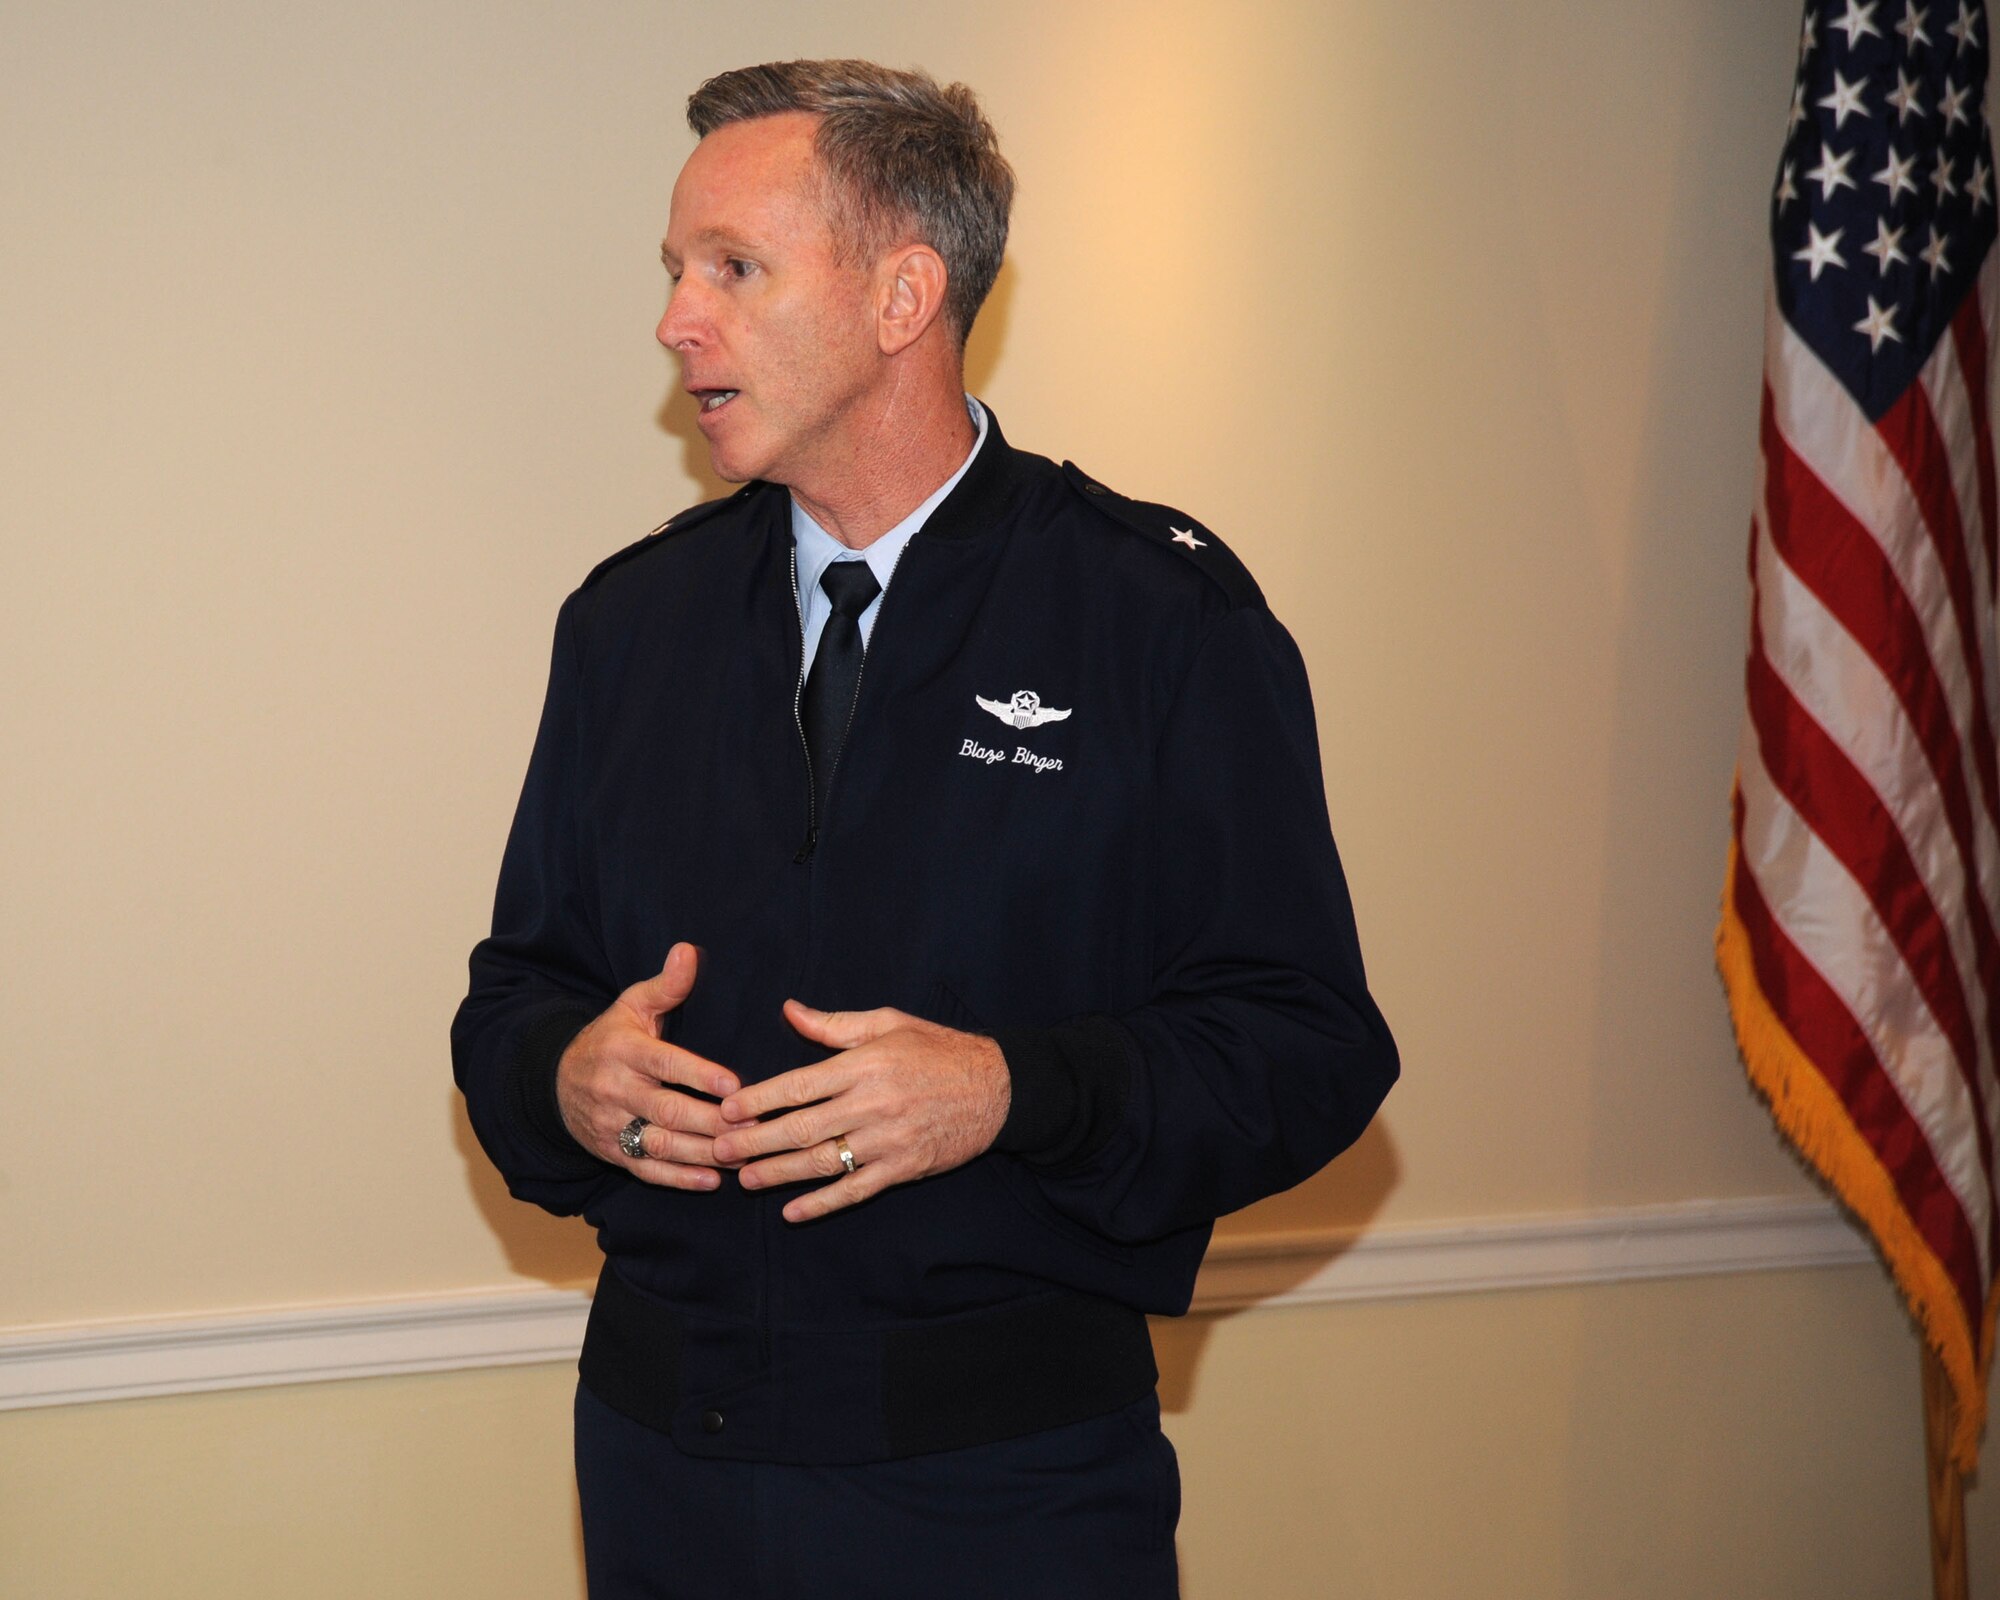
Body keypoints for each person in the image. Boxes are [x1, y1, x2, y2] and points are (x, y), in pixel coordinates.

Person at [452, 58, 1398, 1599]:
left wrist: (1017, 1090)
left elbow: (1308, 1046)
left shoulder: (1154, 617)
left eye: (734, 268)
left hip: (1003, 1499)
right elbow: (512, 998)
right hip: (658, 1473)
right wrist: (561, 1071)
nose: (676, 319)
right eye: (678, 270)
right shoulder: (631, 625)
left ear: (905, 295)